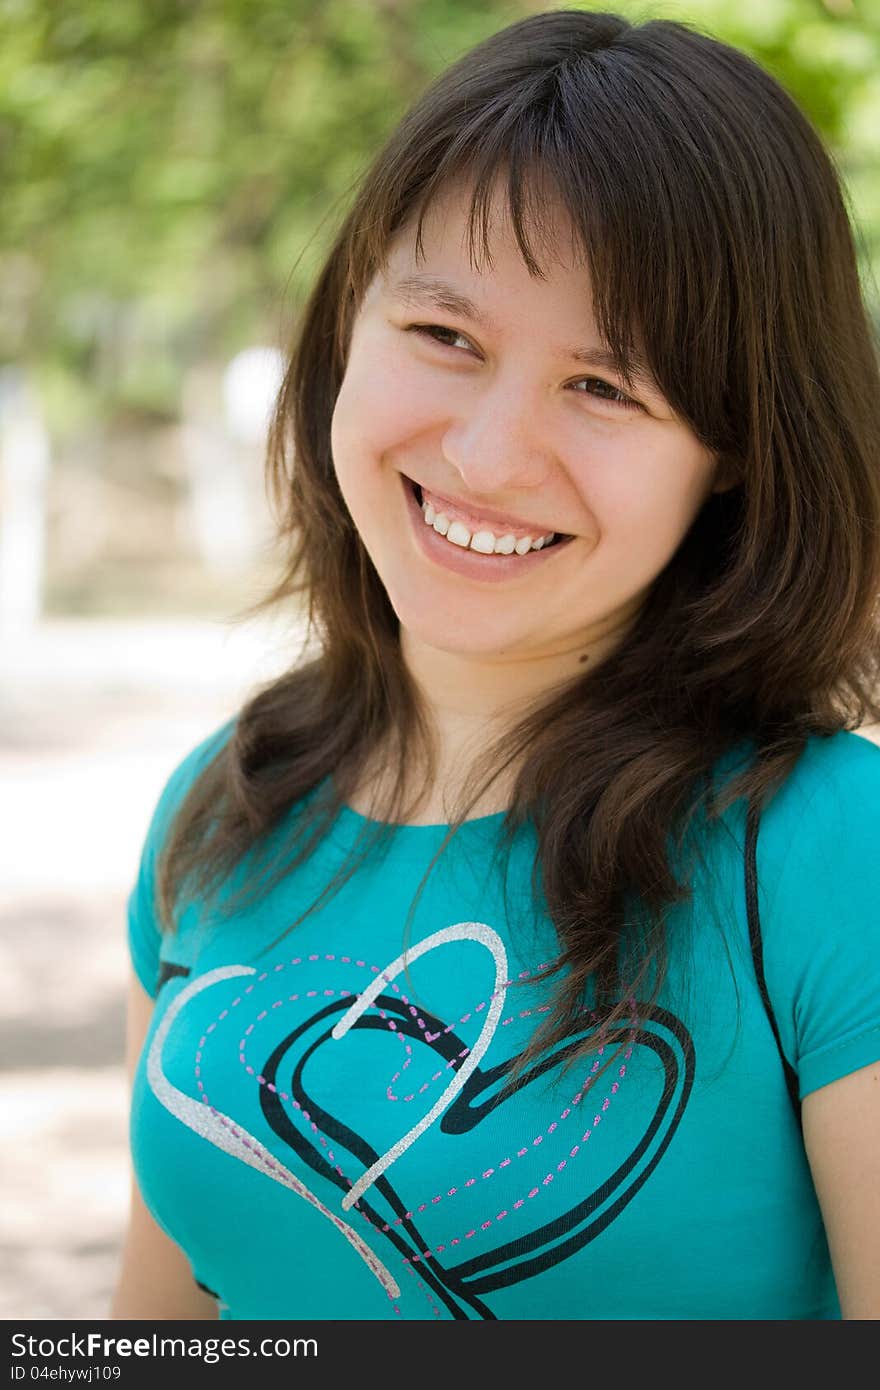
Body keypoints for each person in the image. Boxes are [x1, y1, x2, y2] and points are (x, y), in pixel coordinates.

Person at [110, 8, 880, 1322]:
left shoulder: (826, 849)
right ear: (350, 327)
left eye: (605, 387)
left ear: (737, 449)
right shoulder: (223, 807)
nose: (484, 454)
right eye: (446, 338)